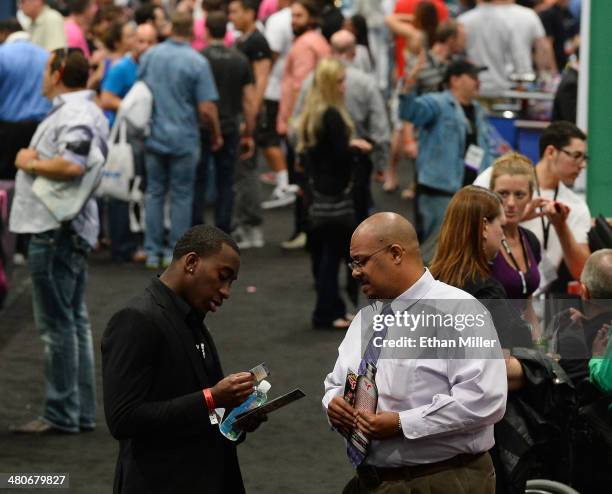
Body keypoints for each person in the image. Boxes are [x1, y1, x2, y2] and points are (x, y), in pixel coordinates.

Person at [323, 212, 506, 493]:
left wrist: (400, 423)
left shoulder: (459, 311)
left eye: (361, 261)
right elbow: (338, 382)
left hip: (444, 480)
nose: (355, 271)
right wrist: (334, 404)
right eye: (353, 262)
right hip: (375, 481)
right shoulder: (366, 319)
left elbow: (484, 399)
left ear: (396, 253)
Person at [102, 225, 265, 494]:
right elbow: (123, 419)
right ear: (191, 262)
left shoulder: (193, 321)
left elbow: (202, 412)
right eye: (222, 277)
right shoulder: (135, 320)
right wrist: (213, 398)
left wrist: (236, 416)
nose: (226, 291)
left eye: (231, 282)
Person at [9, 48, 109, 434]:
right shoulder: (81, 110)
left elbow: (72, 165)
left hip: (55, 231)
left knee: (57, 327)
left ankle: (62, 412)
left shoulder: (75, 113)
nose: (42, 75)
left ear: (59, 72)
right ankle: (77, 411)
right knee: (73, 322)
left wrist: (28, 161)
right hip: (66, 229)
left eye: (46, 68)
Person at [138, 11, 222, 269]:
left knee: (154, 192)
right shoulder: (196, 61)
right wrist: (216, 133)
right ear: (193, 32)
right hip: (185, 137)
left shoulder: (151, 55)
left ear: (171, 27)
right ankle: (175, 252)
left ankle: (152, 250)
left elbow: (140, 90)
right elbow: (206, 107)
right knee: (181, 195)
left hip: (154, 134)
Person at [296, 58, 371, 329]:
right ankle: (328, 311)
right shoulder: (332, 115)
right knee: (333, 257)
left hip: (317, 196)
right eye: (340, 81)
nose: (344, 86)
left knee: (323, 256)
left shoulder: (311, 114)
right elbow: (339, 155)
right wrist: (356, 148)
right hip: (337, 195)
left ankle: (332, 308)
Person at [474, 121, 591, 294]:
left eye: (584, 158)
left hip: (536, 297)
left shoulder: (576, 206)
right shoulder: (496, 177)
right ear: (551, 152)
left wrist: (561, 226)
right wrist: (516, 219)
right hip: (488, 294)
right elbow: (464, 233)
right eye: (576, 156)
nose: (582, 165)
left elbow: (583, 273)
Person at [294, 29, 390, 221]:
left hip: (318, 168)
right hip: (355, 166)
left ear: (330, 49)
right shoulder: (366, 83)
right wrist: (381, 162)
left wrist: (300, 157)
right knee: (355, 218)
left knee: (322, 222)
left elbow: (296, 124)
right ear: (354, 51)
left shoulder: (312, 80)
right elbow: (380, 127)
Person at [398, 58, 494, 245]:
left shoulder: (478, 110)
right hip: (440, 192)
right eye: (473, 76)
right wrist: (408, 87)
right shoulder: (437, 103)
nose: (478, 81)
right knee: (436, 248)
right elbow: (410, 112)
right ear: (455, 80)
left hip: (470, 192)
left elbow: (486, 148)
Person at [99, 23, 157, 264]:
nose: (143, 45)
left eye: (148, 41)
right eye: (138, 40)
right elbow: (105, 98)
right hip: (124, 140)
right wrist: (130, 108)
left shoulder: (153, 66)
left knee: (139, 191)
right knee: (122, 191)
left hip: (144, 139)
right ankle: (122, 245)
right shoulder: (122, 68)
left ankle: (134, 242)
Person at [195, 11, 256, 234]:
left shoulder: (199, 58)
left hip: (201, 126)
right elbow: (249, 102)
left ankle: (197, 230)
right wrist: (249, 132)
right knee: (226, 181)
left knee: (199, 180)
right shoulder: (240, 60)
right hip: (230, 126)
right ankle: (222, 231)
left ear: (207, 31)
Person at [277, 0, 330, 249]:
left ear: (311, 17)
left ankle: (305, 230)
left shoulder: (306, 45)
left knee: (302, 180)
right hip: (307, 122)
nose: (293, 20)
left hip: (302, 125)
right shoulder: (312, 42)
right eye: (292, 15)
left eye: (298, 15)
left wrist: (290, 123)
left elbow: (300, 86)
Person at [228, 0, 272, 248]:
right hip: (240, 113)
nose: (230, 16)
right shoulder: (242, 40)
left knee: (247, 171)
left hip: (249, 115)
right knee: (240, 173)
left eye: (235, 11)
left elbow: (260, 84)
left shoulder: (257, 42)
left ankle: (253, 228)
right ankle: (244, 225)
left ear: (248, 13)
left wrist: (250, 124)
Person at [489, 153, 543, 330]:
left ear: (530, 197)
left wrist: (539, 349)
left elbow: (527, 305)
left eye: (519, 195)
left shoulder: (530, 240)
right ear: (491, 195)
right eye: (503, 194)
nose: (511, 203)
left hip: (521, 341)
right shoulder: (482, 242)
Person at [0, 19, 51, 180]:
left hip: (7, 131)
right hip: (41, 130)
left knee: (6, 183)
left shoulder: (2, 54)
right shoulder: (47, 56)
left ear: (3, 34)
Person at [259, 0, 294, 210]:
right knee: (284, 136)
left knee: (268, 137)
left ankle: (283, 185)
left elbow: (269, 56)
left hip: (275, 88)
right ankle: (287, 179)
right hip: (292, 87)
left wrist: (259, 86)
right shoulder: (296, 17)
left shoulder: (278, 19)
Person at [459, 0, 530, 94]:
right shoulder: (507, 21)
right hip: (499, 87)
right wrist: (523, 82)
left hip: (472, 87)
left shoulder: (463, 20)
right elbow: (519, 56)